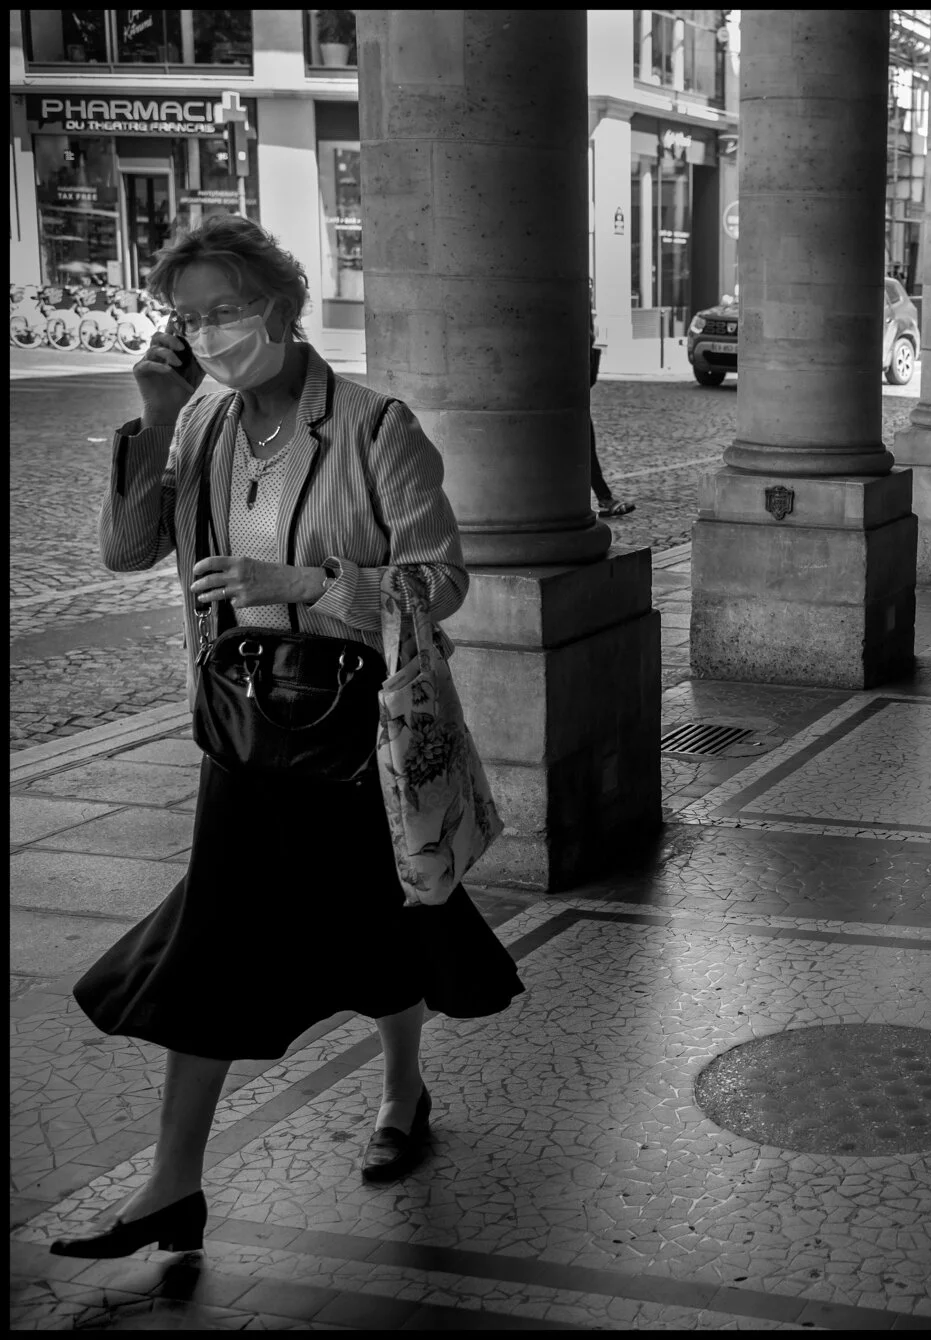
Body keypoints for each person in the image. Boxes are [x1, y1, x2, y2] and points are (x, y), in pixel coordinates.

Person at [51, 215, 525, 1260]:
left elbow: (440, 579)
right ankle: (173, 1184)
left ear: (280, 306)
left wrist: (308, 581)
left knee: (382, 920)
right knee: (213, 938)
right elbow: (128, 551)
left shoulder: (371, 426)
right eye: (186, 316)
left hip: (353, 731)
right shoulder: (199, 426)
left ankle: (402, 1091)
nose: (206, 332)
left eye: (223, 309)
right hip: (242, 727)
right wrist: (156, 414)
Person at [588, 298, 634, 518]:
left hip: (575, 407)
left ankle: (605, 498)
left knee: (587, 452)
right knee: (585, 451)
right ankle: (604, 498)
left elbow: (588, 381)